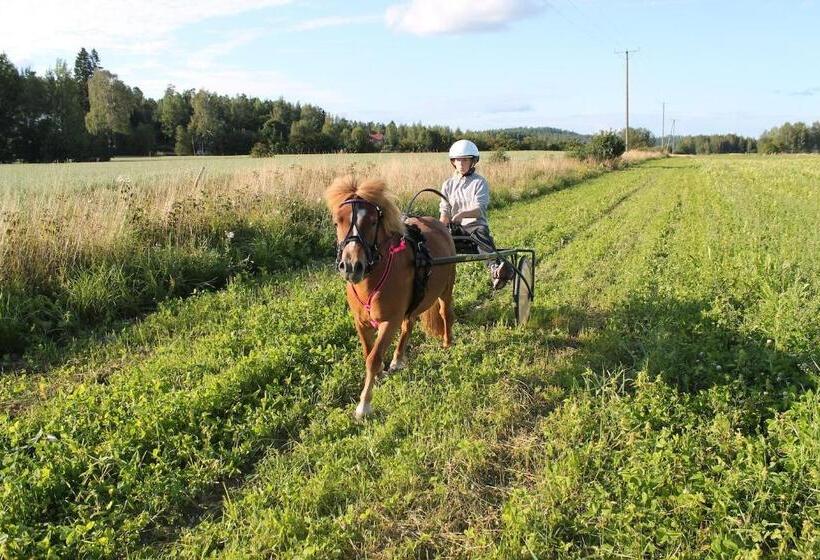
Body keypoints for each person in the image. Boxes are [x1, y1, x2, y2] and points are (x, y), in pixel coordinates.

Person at [439, 139, 515, 289]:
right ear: (453, 161)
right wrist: (439, 227)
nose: (461, 163)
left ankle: (495, 269)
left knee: (480, 233)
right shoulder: (448, 184)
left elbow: (479, 209)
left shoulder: (479, 182)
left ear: (473, 161)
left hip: (475, 225)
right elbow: (445, 210)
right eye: (458, 160)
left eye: (465, 160)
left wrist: (462, 215)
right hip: (455, 228)